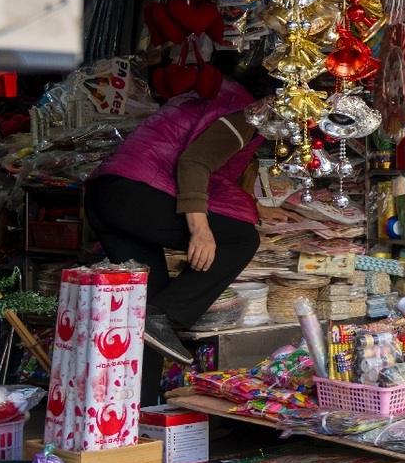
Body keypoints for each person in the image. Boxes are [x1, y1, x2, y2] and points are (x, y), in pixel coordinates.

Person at [84, 53, 279, 395]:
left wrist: (256, 206)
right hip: (136, 194)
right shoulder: (245, 113)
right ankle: (167, 315)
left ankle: (137, 407)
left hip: (107, 195)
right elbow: (194, 163)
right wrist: (201, 229)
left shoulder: (218, 95)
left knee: (146, 311)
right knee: (241, 239)